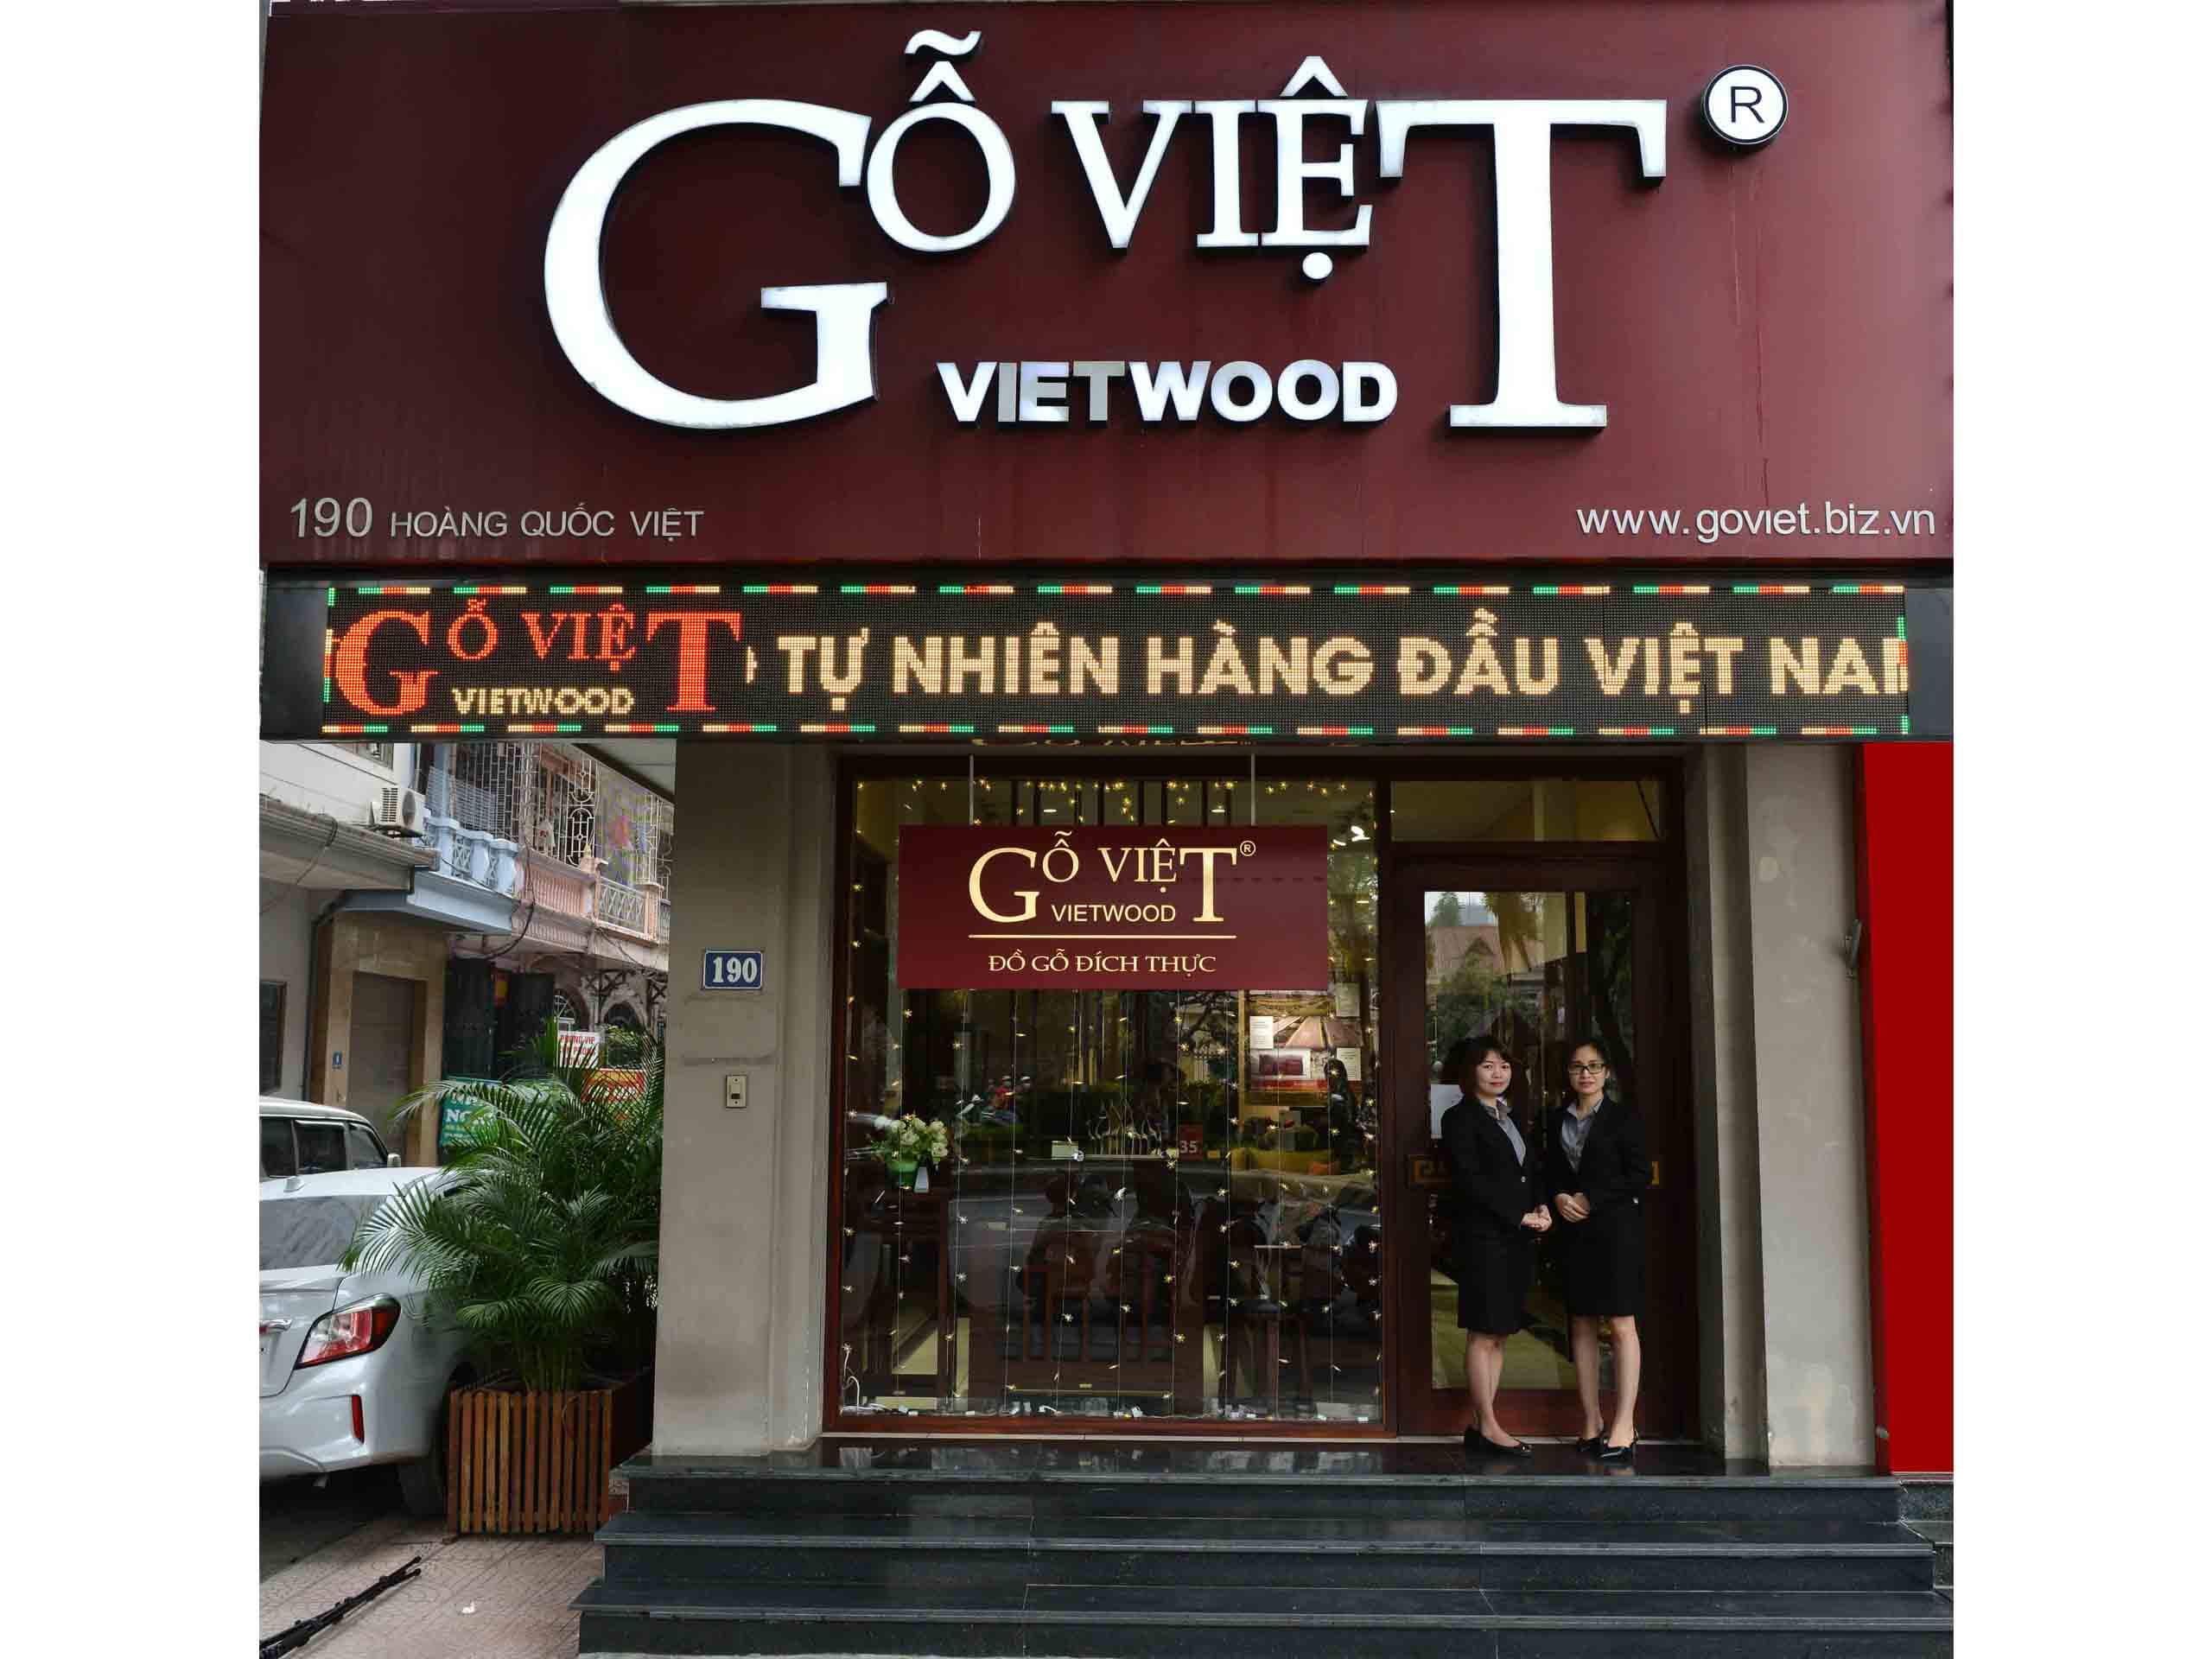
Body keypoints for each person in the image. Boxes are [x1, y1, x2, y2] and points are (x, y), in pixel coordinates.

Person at [1439, 1034, 1551, 1456]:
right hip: (1483, 1238)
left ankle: (1483, 1423)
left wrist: (1540, 1204)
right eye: (1488, 1066)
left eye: (1504, 1065)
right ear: (1471, 1073)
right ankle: (1487, 1425)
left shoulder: (1512, 1115)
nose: (1498, 1073)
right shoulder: (1459, 1119)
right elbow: (1470, 1182)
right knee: (1483, 1332)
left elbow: (1530, 1169)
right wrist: (1516, 1214)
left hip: (1515, 1238)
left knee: (1501, 1332)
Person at [1543, 1036, 1652, 1460]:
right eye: (1577, 1066)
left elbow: (1639, 1175)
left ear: (1606, 1072)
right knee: (1582, 1324)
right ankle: (1591, 1421)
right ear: (1568, 1074)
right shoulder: (1555, 1119)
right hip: (1574, 1235)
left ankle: (1624, 1424)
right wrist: (1557, 1196)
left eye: (1593, 1066)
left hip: (1616, 1233)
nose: (1585, 1074)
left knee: (1622, 1323)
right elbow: (1547, 1170)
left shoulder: (1624, 1118)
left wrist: (1592, 1198)